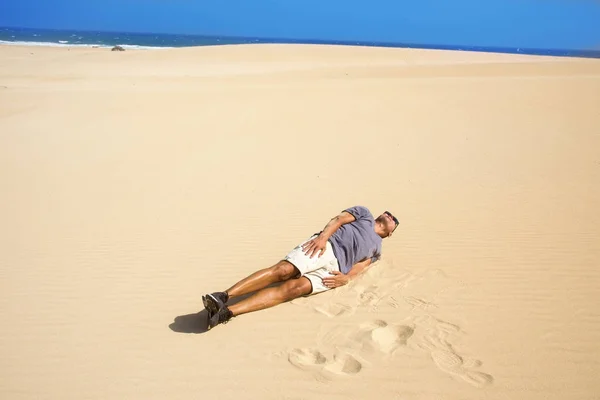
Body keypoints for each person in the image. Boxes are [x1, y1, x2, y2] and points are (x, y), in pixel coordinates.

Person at [202, 206, 399, 329]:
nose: (390, 216)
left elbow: (361, 267)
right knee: (284, 271)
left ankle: (225, 313)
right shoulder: (364, 214)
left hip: (335, 269)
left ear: (390, 234)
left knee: (293, 289)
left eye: (394, 220)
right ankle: (222, 296)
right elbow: (338, 220)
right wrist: (322, 238)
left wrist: (346, 278)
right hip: (325, 246)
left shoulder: (377, 249)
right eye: (388, 213)